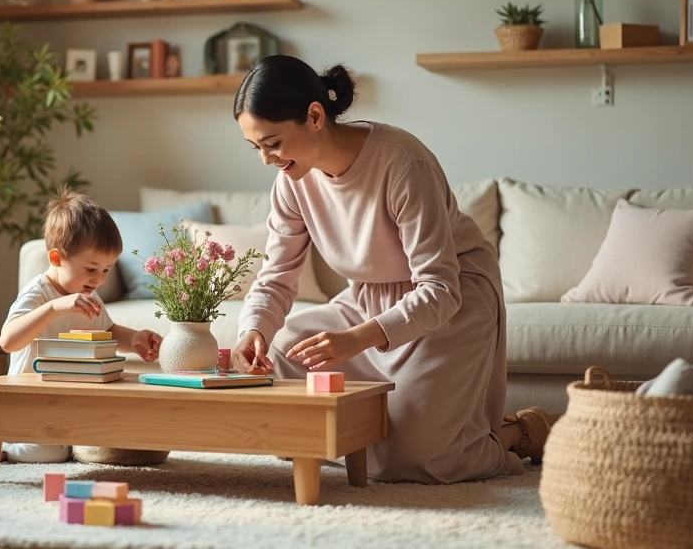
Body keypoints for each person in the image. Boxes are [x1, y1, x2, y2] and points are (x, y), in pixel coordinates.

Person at [229, 55, 554, 483]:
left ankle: (517, 433)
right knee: (283, 368)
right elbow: (276, 276)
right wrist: (253, 331)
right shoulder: (292, 183)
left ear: (314, 117)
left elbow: (439, 288)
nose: (266, 159)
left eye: (272, 143)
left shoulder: (403, 163)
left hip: (450, 302)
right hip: (367, 300)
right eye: (256, 148)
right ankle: (369, 441)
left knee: (420, 456)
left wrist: (356, 339)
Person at [0, 187, 163, 463]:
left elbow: (108, 332)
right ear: (56, 258)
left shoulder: (89, 294)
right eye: (91, 269)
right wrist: (54, 307)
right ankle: (7, 449)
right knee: (52, 451)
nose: (99, 279)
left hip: (70, 401)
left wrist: (136, 338)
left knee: (116, 429)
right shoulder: (38, 294)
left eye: (107, 270)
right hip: (32, 403)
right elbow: (8, 341)